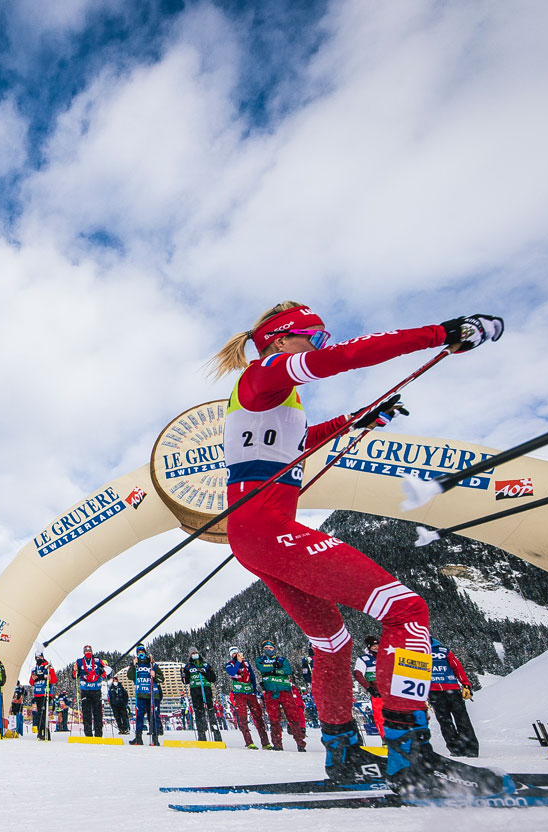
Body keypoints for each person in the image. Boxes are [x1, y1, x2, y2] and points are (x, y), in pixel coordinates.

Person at [209, 301, 506, 794]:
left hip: (256, 535)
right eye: (316, 336)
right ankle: (411, 753)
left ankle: (343, 750)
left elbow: (305, 440)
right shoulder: (264, 373)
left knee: (333, 643)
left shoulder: (270, 401)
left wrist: (358, 418)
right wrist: (441, 331)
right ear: (282, 339)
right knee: (406, 610)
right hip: (267, 528)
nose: (322, 345)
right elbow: (344, 359)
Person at [427, 639, 479, 757]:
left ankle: (471, 748)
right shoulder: (417, 653)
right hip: (434, 692)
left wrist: (465, 684)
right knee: (445, 722)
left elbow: (457, 668)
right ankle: (455, 749)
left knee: (462, 719)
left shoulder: (444, 650)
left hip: (452, 689)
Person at [254, 640, 307, 752]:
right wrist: (276, 668)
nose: (268, 649)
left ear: (274, 648)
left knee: (293, 717)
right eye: (266, 648)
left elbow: (287, 670)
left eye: (270, 647)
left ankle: (300, 743)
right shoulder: (260, 660)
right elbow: (262, 668)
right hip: (270, 692)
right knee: (274, 719)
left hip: (285, 690)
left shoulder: (282, 659)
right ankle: (277, 744)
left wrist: (273, 670)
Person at [225, 647, 271, 750]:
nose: (236, 655)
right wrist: (238, 662)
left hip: (250, 692)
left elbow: (252, 676)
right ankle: (249, 742)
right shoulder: (229, 664)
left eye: (237, 653)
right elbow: (232, 672)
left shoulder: (246, 663)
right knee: (243, 718)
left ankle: (265, 742)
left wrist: (255, 690)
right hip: (239, 693)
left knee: (258, 717)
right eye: (234, 654)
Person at [182, 649, 221, 742]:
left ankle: (216, 735)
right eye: (192, 654)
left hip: (206, 689)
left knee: (211, 711)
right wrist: (183, 676)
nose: (194, 655)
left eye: (196, 653)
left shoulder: (205, 665)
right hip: (195, 690)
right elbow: (186, 681)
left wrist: (205, 673)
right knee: (198, 712)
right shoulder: (188, 666)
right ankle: (201, 735)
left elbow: (213, 678)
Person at [128, 646, 163, 746]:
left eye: (142, 651)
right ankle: (138, 737)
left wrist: (154, 675)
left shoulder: (152, 664)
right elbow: (130, 676)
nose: (141, 654)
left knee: (154, 716)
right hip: (140, 694)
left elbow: (162, 679)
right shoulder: (135, 664)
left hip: (152, 694)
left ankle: (155, 738)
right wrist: (133, 665)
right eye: (139, 652)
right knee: (139, 716)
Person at [73, 644, 108, 738]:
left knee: (98, 713)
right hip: (85, 690)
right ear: (83, 652)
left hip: (96, 689)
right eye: (86, 651)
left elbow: (108, 670)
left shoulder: (97, 660)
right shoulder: (79, 661)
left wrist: (101, 677)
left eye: (90, 651)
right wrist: (74, 671)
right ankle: (88, 734)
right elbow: (74, 676)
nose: (88, 652)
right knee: (86, 713)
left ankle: (98, 734)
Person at [352, 636, 383, 736]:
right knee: (380, 717)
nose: (376, 648)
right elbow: (357, 673)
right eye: (374, 646)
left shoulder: (387, 655)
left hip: (392, 692)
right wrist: (368, 687)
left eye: (378, 645)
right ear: (369, 647)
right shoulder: (364, 659)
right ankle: (385, 739)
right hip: (377, 693)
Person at [29, 653, 55, 741]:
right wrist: (33, 678)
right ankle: (40, 732)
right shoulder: (34, 668)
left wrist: (49, 677)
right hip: (37, 693)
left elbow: (54, 679)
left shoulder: (48, 667)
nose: (38, 659)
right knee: (39, 713)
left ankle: (45, 732)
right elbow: (31, 682)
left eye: (39, 657)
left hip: (46, 693)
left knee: (43, 712)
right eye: (36, 657)